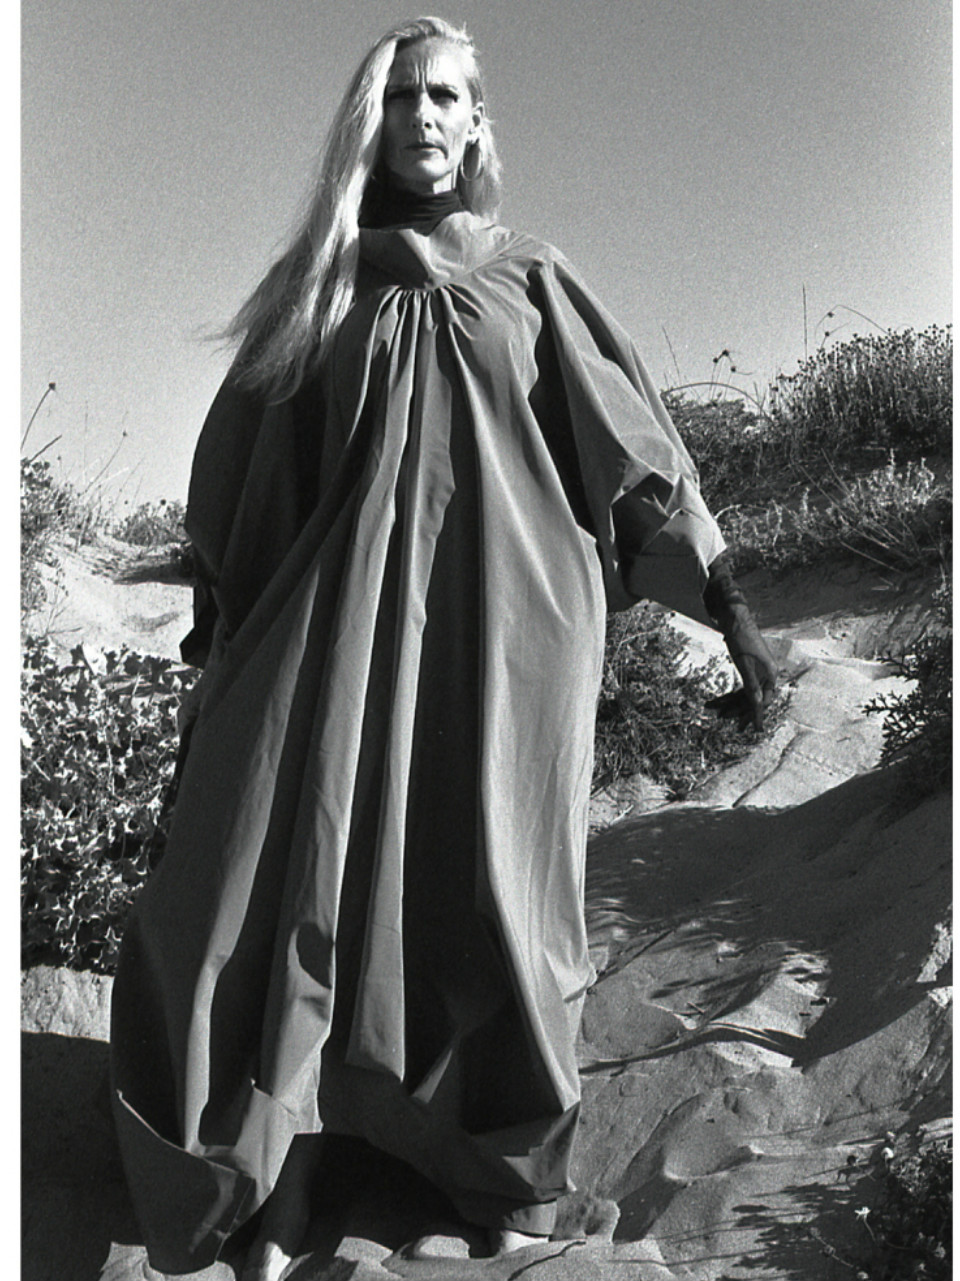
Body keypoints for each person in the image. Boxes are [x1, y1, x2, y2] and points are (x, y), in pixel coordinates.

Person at [109, 16, 777, 1281]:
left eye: (447, 96)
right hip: (335, 630)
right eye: (403, 94)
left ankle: (503, 1179)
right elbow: (251, 482)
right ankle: (283, 1167)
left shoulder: (530, 277)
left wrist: (728, 603)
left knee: (497, 897)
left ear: (477, 125)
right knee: (286, 878)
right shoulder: (323, 286)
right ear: (372, 123)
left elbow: (627, 452)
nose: (423, 114)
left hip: (509, 633)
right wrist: (219, 632)